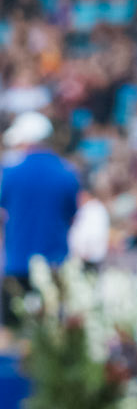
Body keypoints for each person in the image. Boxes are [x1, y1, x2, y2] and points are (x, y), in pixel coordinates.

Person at [0, 112, 81, 331]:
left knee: (12, 333)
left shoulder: (10, 173)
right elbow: (72, 215)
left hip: (17, 265)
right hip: (55, 265)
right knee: (51, 332)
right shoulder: (67, 174)